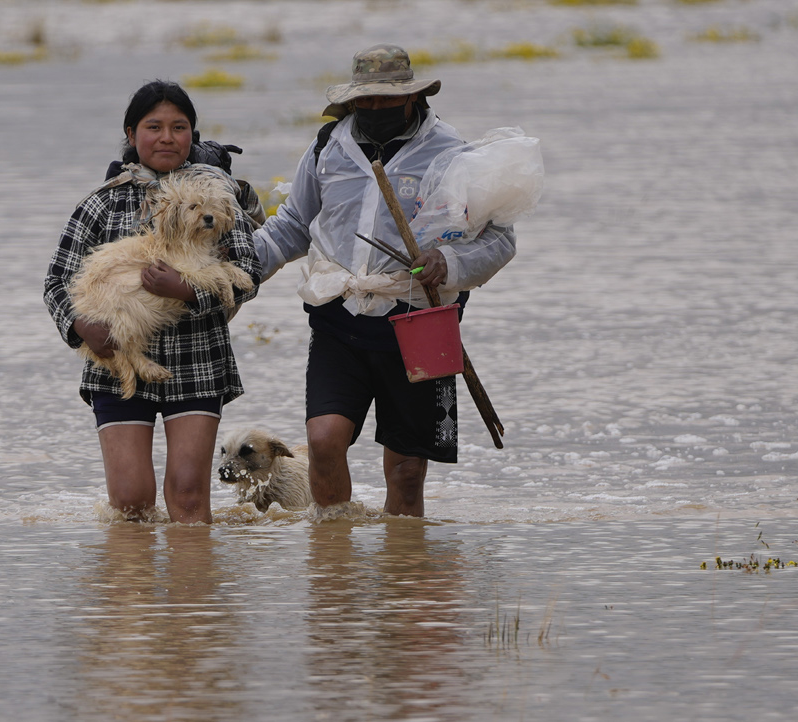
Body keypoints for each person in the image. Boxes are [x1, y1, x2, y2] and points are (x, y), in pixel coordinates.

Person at [254, 44, 517, 517]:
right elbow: (293, 224)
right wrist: (240, 270)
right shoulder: (327, 146)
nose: (375, 110)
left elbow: (499, 239)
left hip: (419, 321)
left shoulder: (452, 152)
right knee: (324, 439)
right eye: (366, 101)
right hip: (340, 316)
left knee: (406, 472)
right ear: (353, 101)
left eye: (386, 100)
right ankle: (335, 562)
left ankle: (402, 575)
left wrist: (448, 261)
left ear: (412, 98)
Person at [44, 80, 261, 524]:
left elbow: (247, 275)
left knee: (187, 496)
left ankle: (190, 590)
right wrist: (79, 326)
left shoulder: (217, 198)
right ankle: (134, 591)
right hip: (116, 359)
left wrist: (185, 290)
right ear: (130, 134)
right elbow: (57, 281)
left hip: (198, 360)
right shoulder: (102, 204)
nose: (167, 137)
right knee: (130, 501)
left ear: (193, 136)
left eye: (179, 127)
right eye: (153, 126)